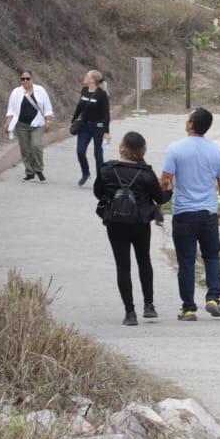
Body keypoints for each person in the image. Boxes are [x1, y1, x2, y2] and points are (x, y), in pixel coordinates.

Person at [93, 131, 171, 327]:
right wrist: (169, 189)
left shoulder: (107, 170)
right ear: (142, 149)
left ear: (122, 147)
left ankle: (130, 313)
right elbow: (160, 198)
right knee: (144, 261)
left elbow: (98, 193)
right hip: (140, 223)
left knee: (123, 266)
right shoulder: (146, 173)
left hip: (116, 223)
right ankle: (149, 305)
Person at [160, 107, 220, 321]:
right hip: (208, 213)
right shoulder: (216, 151)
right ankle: (213, 298)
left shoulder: (175, 149)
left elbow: (165, 180)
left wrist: (160, 201)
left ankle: (189, 308)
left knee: (187, 262)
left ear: (191, 124)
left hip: (183, 213)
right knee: (211, 256)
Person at [4, 69, 53, 182]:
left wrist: (48, 122)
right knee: (25, 149)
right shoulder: (16, 92)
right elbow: (11, 110)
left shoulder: (40, 90)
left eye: (27, 78)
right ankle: (30, 172)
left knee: (36, 146)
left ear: (32, 79)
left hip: (38, 124)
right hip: (21, 125)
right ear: (20, 80)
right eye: (22, 79)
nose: (25, 81)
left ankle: (39, 170)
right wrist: (7, 123)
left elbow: (48, 108)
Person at [71, 69, 112, 187]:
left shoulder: (102, 94)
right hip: (84, 126)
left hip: (97, 127)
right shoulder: (84, 90)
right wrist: (73, 120)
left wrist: (106, 132)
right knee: (80, 151)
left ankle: (101, 179)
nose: (85, 77)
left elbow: (106, 115)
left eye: (87, 76)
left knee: (98, 154)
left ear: (93, 80)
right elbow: (79, 107)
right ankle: (85, 173)